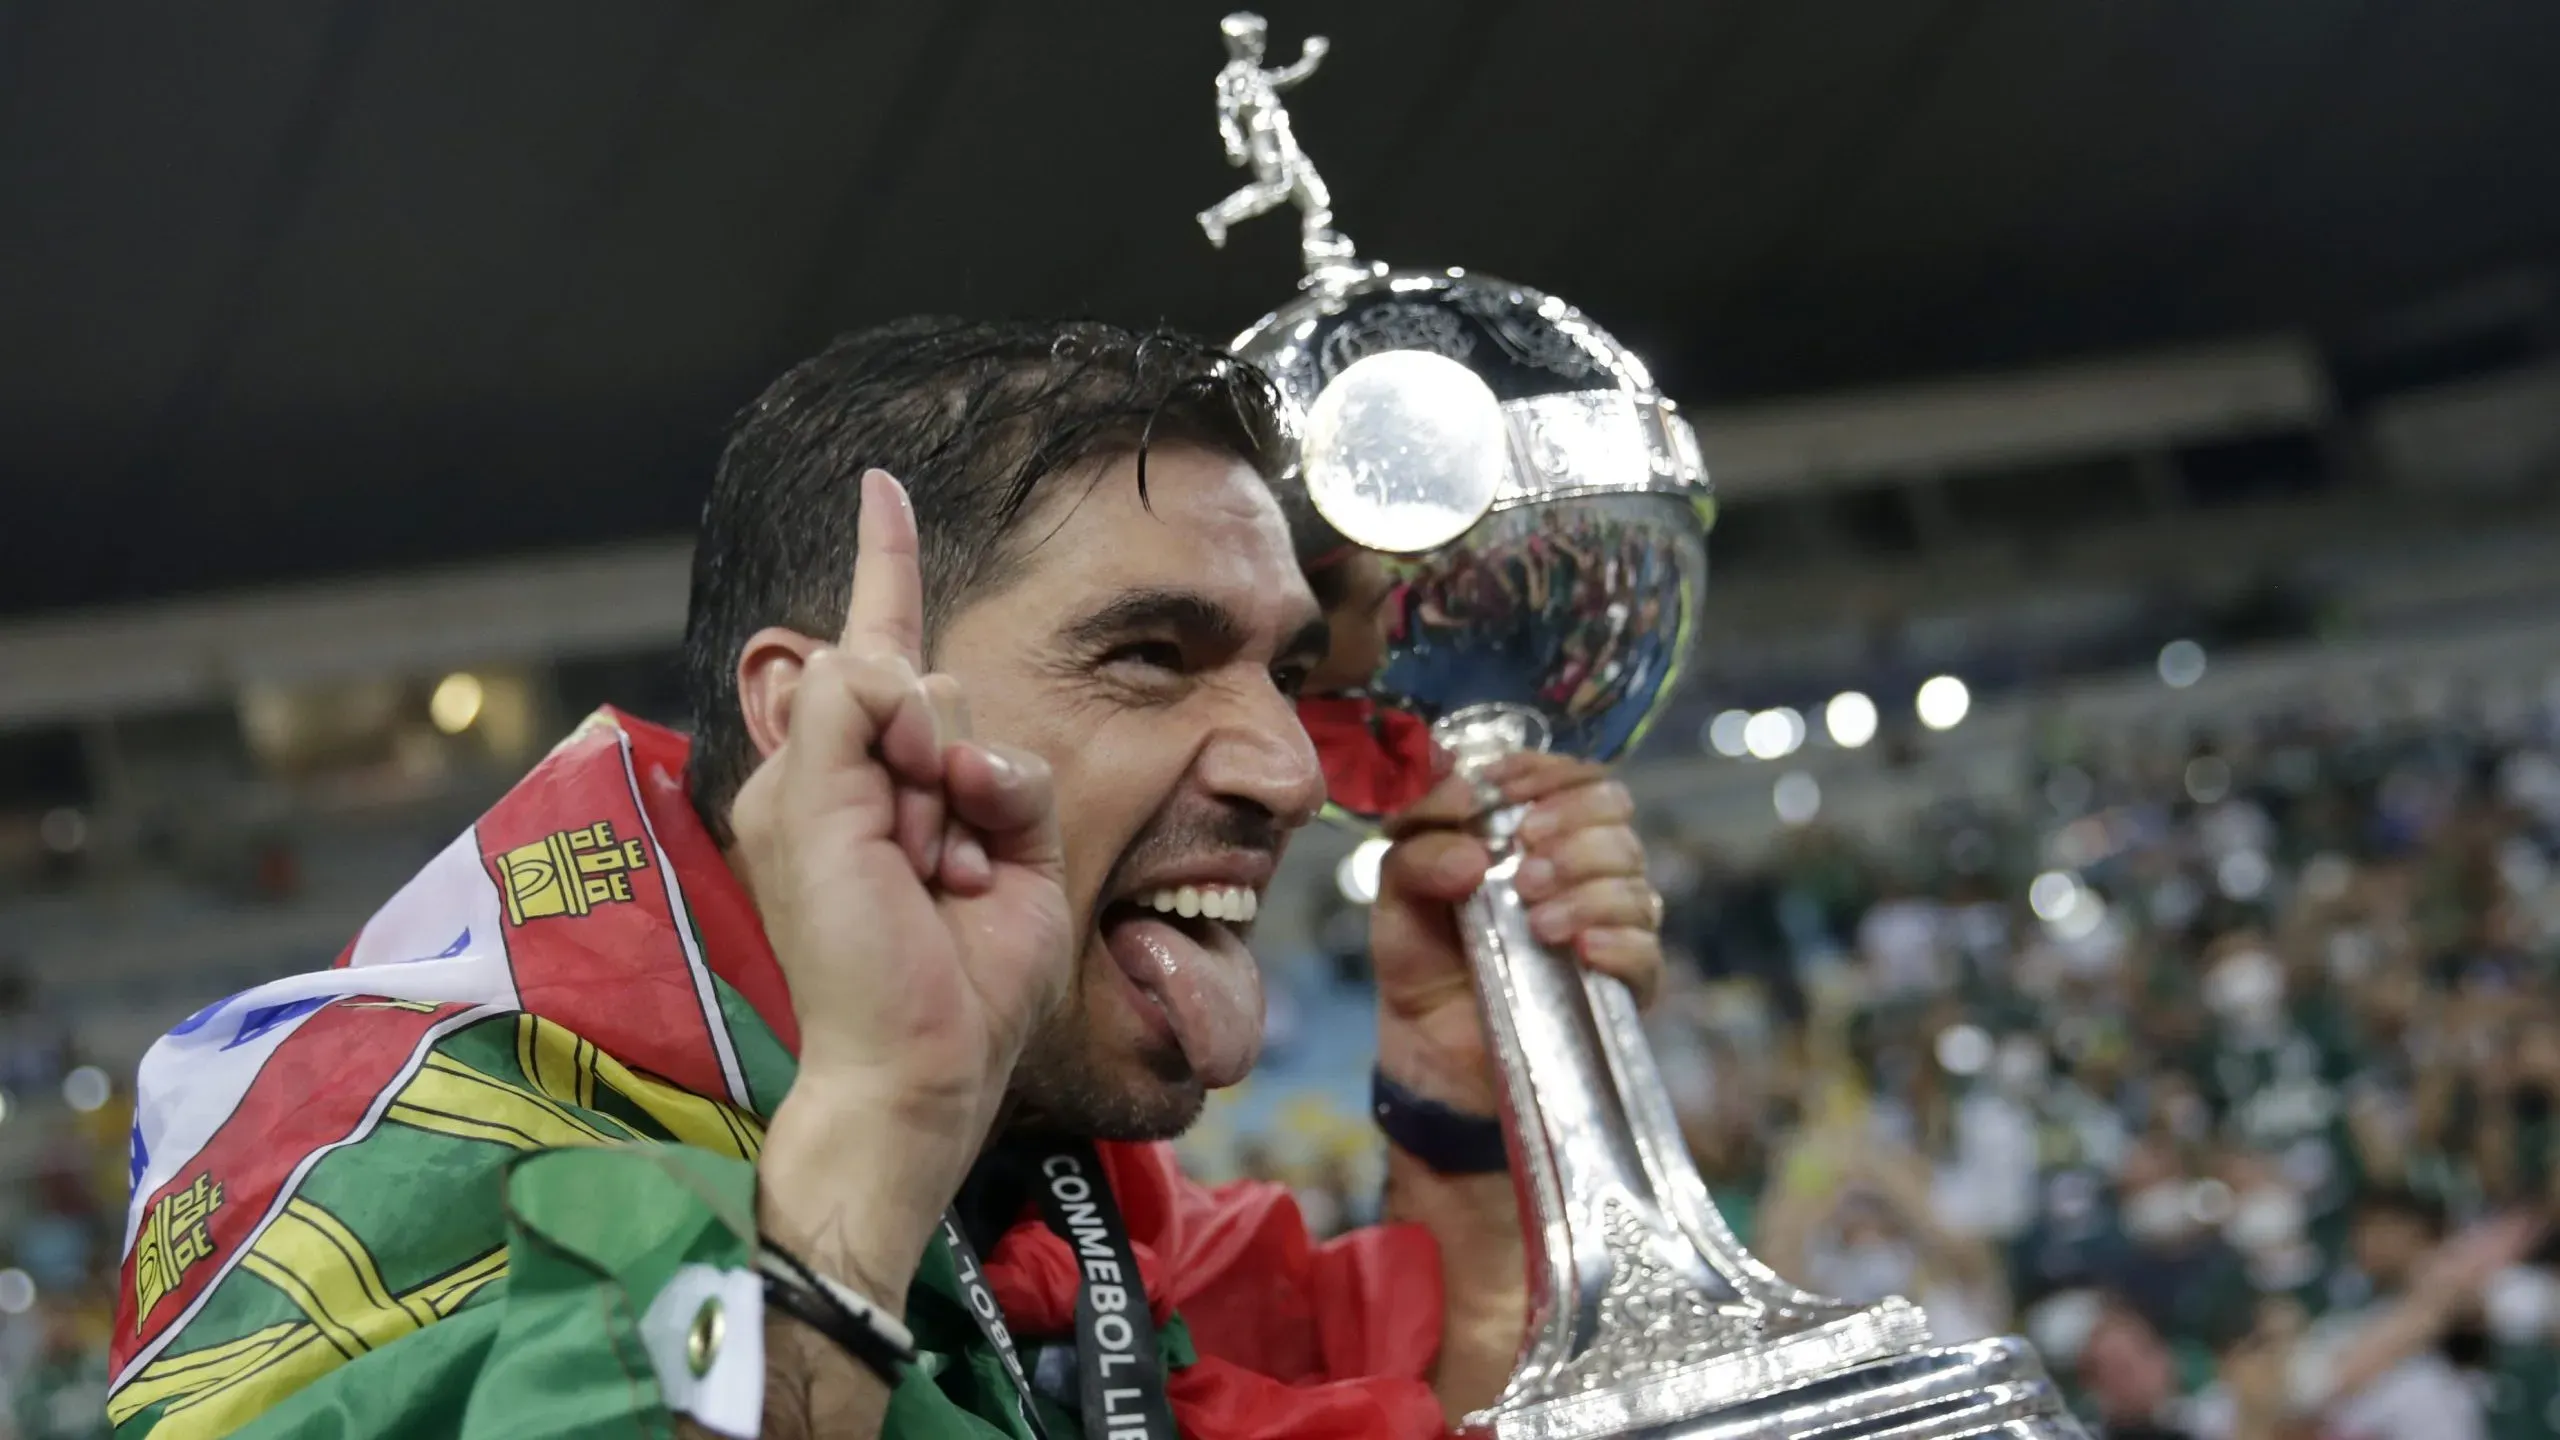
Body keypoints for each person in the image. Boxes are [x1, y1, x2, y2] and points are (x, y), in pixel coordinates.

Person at [106, 319, 1667, 1440]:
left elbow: (1432, 1399)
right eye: (1149, 657)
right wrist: (878, 1129)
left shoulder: (1061, 1178)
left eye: (1283, 671)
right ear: (820, 719)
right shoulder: (392, 1168)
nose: (1291, 767)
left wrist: (1470, 1128)